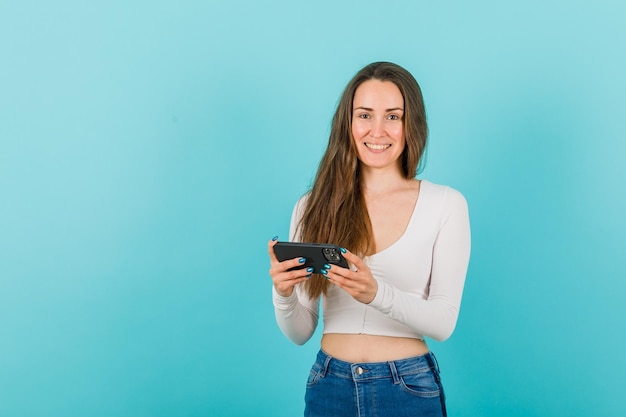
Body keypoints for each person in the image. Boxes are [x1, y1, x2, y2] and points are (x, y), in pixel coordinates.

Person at [268, 61, 471, 417]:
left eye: (393, 116)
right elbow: (301, 332)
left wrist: (376, 294)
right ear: (347, 123)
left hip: (406, 387)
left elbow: (444, 322)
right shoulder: (313, 206)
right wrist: (283, 294)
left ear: (412, 125)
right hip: (329, 385)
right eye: (365, 115)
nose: (378, 130)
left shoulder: (445, 204)